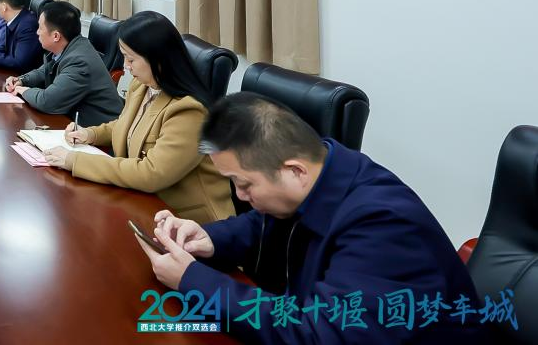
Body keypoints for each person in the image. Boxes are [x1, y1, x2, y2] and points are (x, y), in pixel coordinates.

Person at [139, 93, 485, 344]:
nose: (240, 196)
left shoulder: (384, 227)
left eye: (244, 184)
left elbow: (318, 335)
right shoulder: (322, 171)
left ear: (295, 171)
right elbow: (263, 222)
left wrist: (193, 279)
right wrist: (210, 238)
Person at [44, 10, 230, 225]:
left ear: (158, 59)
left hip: (191, 222)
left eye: (131, 59)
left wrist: (74, 160)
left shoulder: (189, 111)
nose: (125, 65)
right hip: (143, 204)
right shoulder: (142, 86)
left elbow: (151, 174)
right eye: (124, 56)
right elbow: (125, 125)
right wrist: (90, 134)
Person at [3, 0, 123, 125]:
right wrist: (21, 80)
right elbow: (44, 71)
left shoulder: (79, 62)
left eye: (40, 28)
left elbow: (47, 102)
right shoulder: (69, 47)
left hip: (99, 130)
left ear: (56, 36)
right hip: (73, 123)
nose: (37, 32)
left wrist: (23, 90)